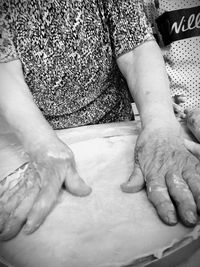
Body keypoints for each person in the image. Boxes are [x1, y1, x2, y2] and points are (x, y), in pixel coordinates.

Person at [0, 0, 200, 241]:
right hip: (29, 132)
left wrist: (160, 127)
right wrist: (41, 144)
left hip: (113, 127)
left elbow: (136, 49)